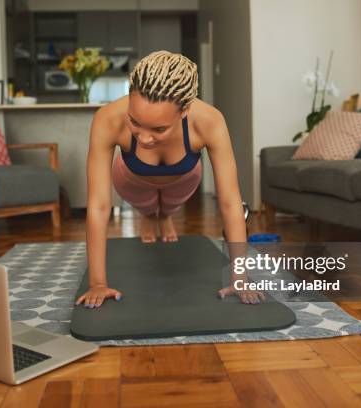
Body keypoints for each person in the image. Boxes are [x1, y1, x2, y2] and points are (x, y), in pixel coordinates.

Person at [76, 50, 263, 308]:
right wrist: (97, 282)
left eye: (159, 129)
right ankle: (149, 215)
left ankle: (163, 216)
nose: (144, 138)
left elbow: (231, 203)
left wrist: (239, 278)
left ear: (185, 110)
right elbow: (98, 205)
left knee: (170, 204)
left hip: (183, 178)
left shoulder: (209, 121)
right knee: (146, 203)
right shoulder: (107, 119)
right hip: (132, 177)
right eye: (135, 122)